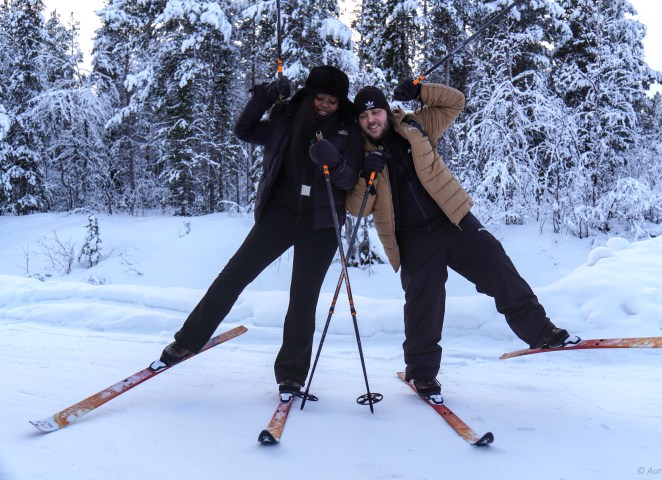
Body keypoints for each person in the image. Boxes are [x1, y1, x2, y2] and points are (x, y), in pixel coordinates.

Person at [347, 81, 576, 402]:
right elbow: (355, 208)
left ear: (387, 111)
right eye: (364, 116)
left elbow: (454, 102)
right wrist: (365, 176)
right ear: (358, 122)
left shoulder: (416, 123)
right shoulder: (360, 155)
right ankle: (421, 372)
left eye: (376, 111)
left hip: (451, 218)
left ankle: (540, 332)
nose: (372, 119)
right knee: (423, 301)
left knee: (496, 263)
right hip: (412, 238)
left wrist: (419, 90)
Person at [159, 65, 364, 401]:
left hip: (322, 222)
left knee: (303, 299)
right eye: (320, 98)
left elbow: (349, 178)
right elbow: (244, 129)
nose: (325, 105)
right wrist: (265, 96)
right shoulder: (286, 117)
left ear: (341, 103)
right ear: (310, 95)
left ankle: (291, 376)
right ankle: (187, 341)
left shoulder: (347, 130)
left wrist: (334, 163)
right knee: (234, 275)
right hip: (282, 211)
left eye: (332, 100)